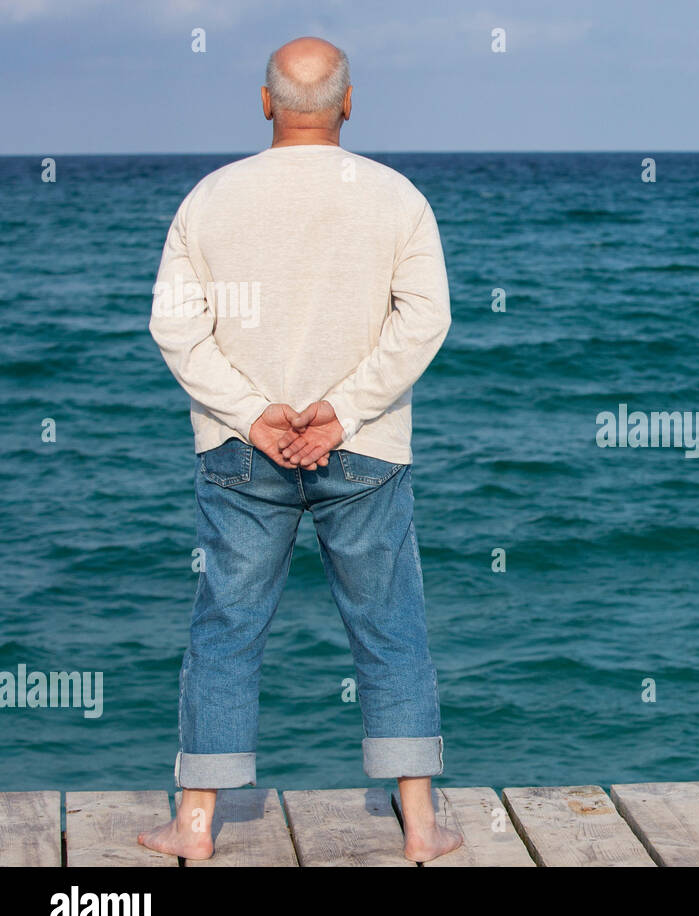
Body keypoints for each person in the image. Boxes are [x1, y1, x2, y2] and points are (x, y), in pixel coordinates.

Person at [138, 36, 461, 862]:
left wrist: (254, 415)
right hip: (364, 450)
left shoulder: (210, 198)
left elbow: (176, 327)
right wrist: (344, 412)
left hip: (245, 453)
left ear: (264, 101)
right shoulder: (397, 199)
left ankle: (197, 826)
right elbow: (424, 321)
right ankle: (420, 828)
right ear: (348, 103)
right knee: (392, 629)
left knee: (225, 629)